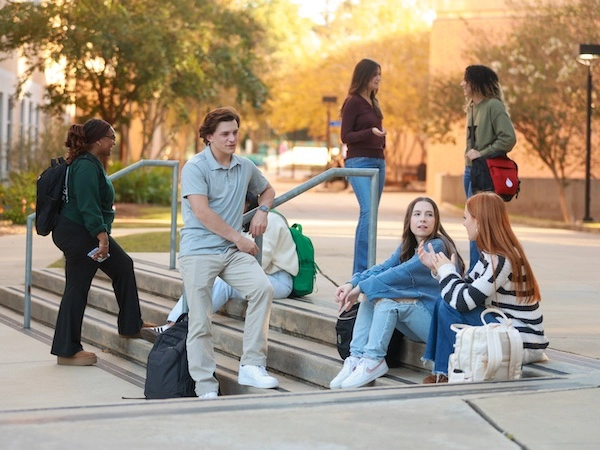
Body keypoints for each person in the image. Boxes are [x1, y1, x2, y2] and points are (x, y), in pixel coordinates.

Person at [179, 106, 279, 399]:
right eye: (225, 134)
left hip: (230, 251)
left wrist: (262, 210)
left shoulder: (244, 166)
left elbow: (268, 190)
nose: (232, 138)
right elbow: (201, 212)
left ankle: (251, 364)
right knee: (199, 320)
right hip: (198, 251)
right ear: (209, 137)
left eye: (235, 132)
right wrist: (239, 238)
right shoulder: (195, 167)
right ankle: (205, 385)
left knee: (262, 288)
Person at [50, 119, 156, 366]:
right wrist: (102, 236)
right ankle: (67, 351)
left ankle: (131, 324)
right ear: (98, 140)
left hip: (81, 231)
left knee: (122, 266)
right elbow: (88, 205)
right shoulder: (85, 165)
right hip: (80, 234)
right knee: (77, 287)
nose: (113, 142)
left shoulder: (89, 163)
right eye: (111, 137)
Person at [329, 197, 464, 390]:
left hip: (436, 325)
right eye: (417, 214)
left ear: (436, 221)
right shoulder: (408, 246)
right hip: (417, 318)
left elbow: (401, 273)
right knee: (371, 295)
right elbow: (383, 268)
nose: (423, 219)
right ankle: (356, 357)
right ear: (409, 220)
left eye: (429, 215)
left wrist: (360, 288)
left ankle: (373, 359)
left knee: (384, 301)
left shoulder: (436, 246)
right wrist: (353, 283)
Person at [419, 192, 549, 384]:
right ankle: (442, 371)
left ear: (478, 221)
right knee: (443, 301)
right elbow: (463, 291)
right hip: (506, 328)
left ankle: (455, 366)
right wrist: (439, 270)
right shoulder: (489, 255)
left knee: (447, 305)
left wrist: (447, 271)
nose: (464, 224)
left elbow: (462, 302)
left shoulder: (502, 259)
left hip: (523, 339)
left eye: (466, 218)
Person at [141, 193, 298, 343]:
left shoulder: (270, 220)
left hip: (278, 280)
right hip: (260, 275)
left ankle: (175, 327)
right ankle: (173, 323)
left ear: (248, 202)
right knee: (204, 275)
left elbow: (259, 262)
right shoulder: (243, 220)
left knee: (223, 282)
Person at [461, 64, 517, 270]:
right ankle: (478, 270)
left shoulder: (493, 106)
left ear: (476, 83)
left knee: (479, 223)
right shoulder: (472, 108)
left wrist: (482, 153)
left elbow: (509, 138)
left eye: (466, 80)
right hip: (470, 171)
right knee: (472, 221)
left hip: (484, 173)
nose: (462, 84)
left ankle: (479, 272)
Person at [341, 58, 386, 276]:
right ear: (364, 76)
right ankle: (360, 272)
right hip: (359, 163)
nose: (379, 78)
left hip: (378, 162)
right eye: (375, 74)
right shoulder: (353, 102)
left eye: (380, 74)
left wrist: (381, 139)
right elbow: (345, 136)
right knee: (368, 212)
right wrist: (370, 133)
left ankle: (367, 268)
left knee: (372, 216)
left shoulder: (373, 103)